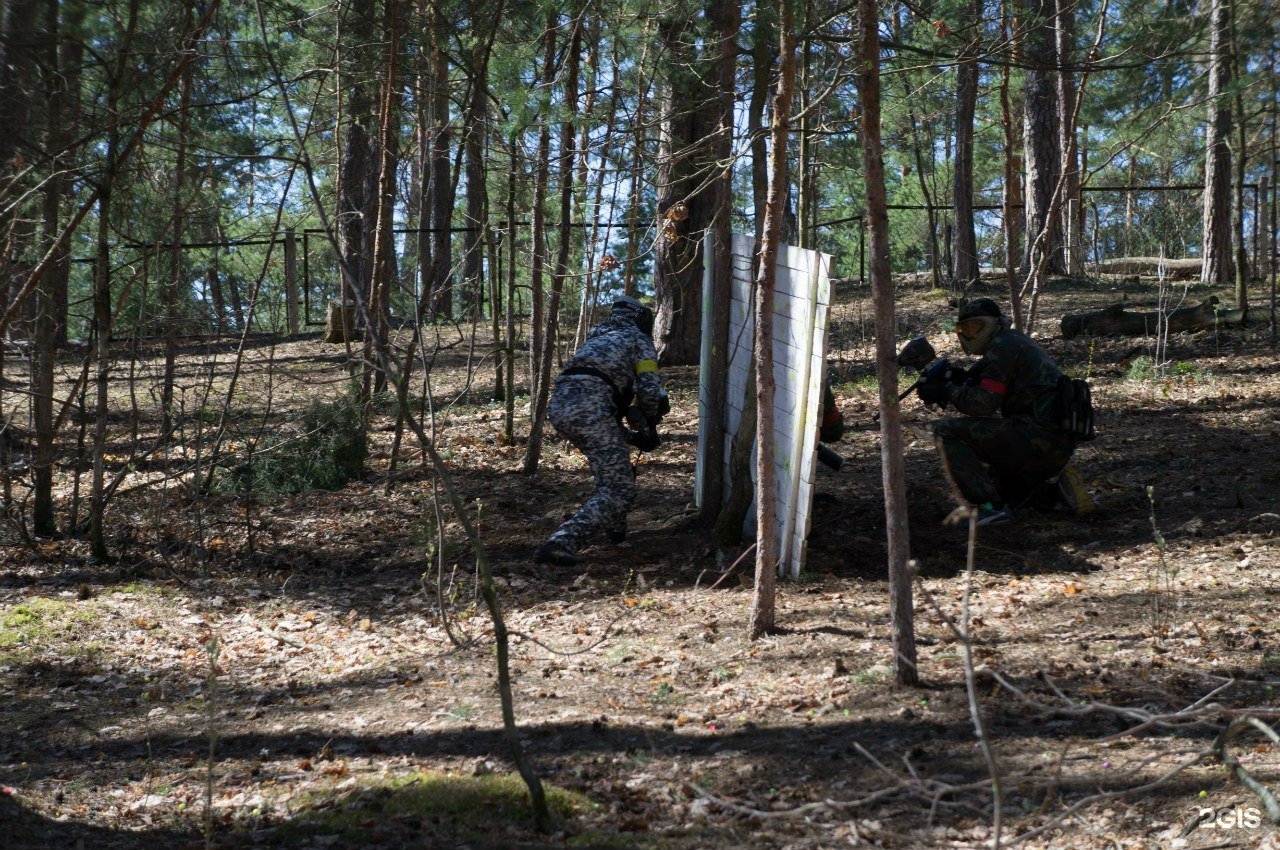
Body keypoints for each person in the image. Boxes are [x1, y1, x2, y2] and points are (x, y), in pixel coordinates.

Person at [920, 297, 1091, 526]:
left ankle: (988, 508)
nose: (970, 335)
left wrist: (948, 391)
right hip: (1050, 442)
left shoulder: (1003, 346)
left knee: (945, 431)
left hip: (1036, 439)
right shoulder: (1013, 341)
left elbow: (984, 404)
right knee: (1007, 492)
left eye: (976, 327)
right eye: (965, 329)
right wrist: (962, 382)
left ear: (994, 323)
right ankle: (1050, 493)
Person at [533, 296, 667, 566]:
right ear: (642, 321)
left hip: (562, 406)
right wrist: (650, 421)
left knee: (613, 465)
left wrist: (634, 438)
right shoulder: (639, 341)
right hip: (593, 409)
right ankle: (561, 541)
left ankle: (616, 530)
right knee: (619, 489)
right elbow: (650, 390)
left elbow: (606, 420)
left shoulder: (595, 338)